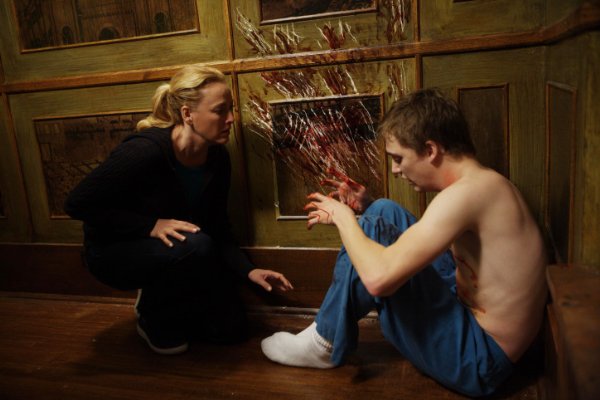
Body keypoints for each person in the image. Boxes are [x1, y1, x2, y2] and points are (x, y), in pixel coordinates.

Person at [260, 88, 548, 397]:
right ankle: (327, 331)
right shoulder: (483, 183)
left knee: (369, 233)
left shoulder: (466, 195)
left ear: (431, 150)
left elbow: (379, 281)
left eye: (399, 158)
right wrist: (366, 207)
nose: (396, 170)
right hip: (473, 322)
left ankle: (324, 342)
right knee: (382, 210)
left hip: (479, 359)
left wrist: (344, 218)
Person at [65, 64, 293, 356]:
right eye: (220, 111)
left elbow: (217, 225)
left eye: (231, 109)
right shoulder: (144, 151)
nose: (231, 119)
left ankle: (175, 301)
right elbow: (77, 202)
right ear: (187, 114)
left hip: (179, 249)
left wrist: (248, 270)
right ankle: (150, 311)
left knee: (232, 331)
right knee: (197, 245)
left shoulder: (218, 158)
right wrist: (149, 225)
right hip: (113, 252)